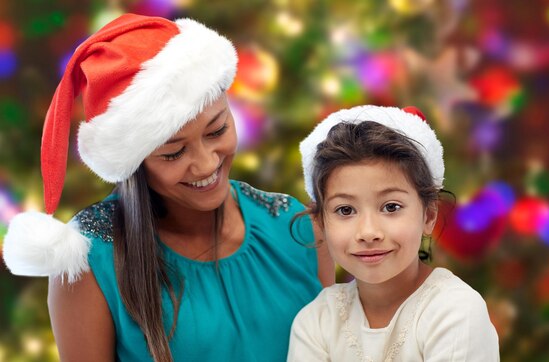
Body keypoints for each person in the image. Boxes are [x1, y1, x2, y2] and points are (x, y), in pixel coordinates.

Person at [2, 13, 334, 362]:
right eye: (174, 153)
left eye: (217, 130)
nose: (206, 164)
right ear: (135, 163)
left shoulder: (297, 228)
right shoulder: (87, 262)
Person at [288, 105, 500, 361]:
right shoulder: (317, 321)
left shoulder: (454, 310)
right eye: (345, 210)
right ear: (321, 222)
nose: (368, 232)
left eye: (391, 207)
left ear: (429, 215)